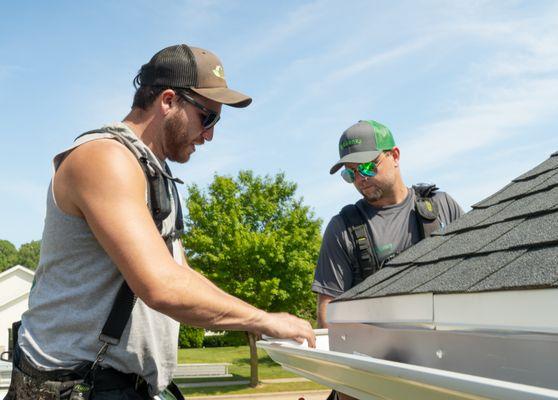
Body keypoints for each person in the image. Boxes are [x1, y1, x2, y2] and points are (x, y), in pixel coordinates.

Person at [7, 44, 315, 400]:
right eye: (208, 117)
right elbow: (162, 287)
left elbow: (181, 278)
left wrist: (262, 320)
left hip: (126, 385)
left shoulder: (156, 175)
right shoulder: (104, 158)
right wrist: (263, 319)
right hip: (72, 384)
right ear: (168, 100)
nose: (211, 134)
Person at [313, 120, 462, 399]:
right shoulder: (342, 228)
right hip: (373, 377)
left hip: (443, 371)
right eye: (350, 173)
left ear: (394, 155)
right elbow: (327, 312)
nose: (360, 178)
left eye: (368, 167)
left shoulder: (442, 207)